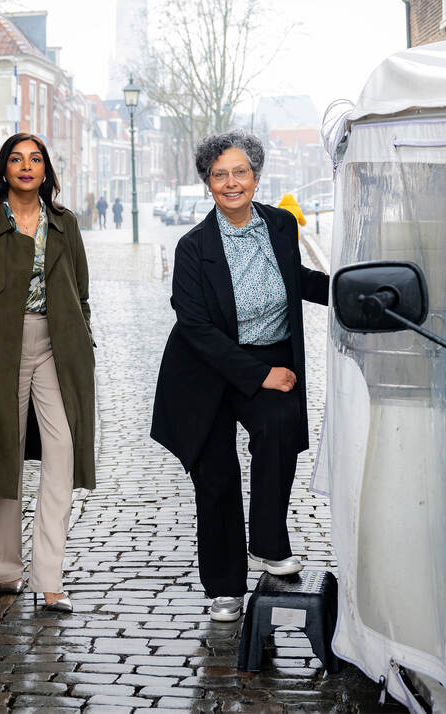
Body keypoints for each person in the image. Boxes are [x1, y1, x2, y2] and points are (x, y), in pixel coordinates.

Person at [151, 129, 330, 622]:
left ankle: (269, 543)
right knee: (216, 479)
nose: (231, 183)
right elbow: (196, 326)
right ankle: (225, 585)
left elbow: (298, 280)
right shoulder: (193, 247)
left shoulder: (279, 226)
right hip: (204, 372)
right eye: (219, 175)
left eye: (240, 172)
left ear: (256, 176)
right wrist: (258, 375)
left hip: (270, 358)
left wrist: (351, 292)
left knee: (277, 429)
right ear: (208, 183)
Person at [0, 132, 97, 614]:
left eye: (36, 159)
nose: (27, 166)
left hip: (57, 348)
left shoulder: (65, 225)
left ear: (47, 171)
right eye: (17, 159)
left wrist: (81, 339)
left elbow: (82, 294)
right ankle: (3, 570)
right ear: (4, 170)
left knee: (62, 454)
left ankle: (49, 577)